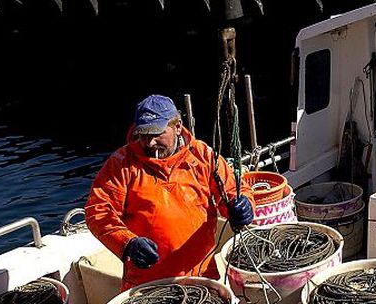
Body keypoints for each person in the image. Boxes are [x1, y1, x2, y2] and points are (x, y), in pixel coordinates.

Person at [85, 94, 255, 291]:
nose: (149, 143)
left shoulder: (202, 155)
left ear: (177, 126)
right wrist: (127, 243)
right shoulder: (121, 164)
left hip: (201, 272)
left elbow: (233, 190)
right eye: (143, 135)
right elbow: (98, 212)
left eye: (157, 134)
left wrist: (243, 205)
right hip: (146, 280)